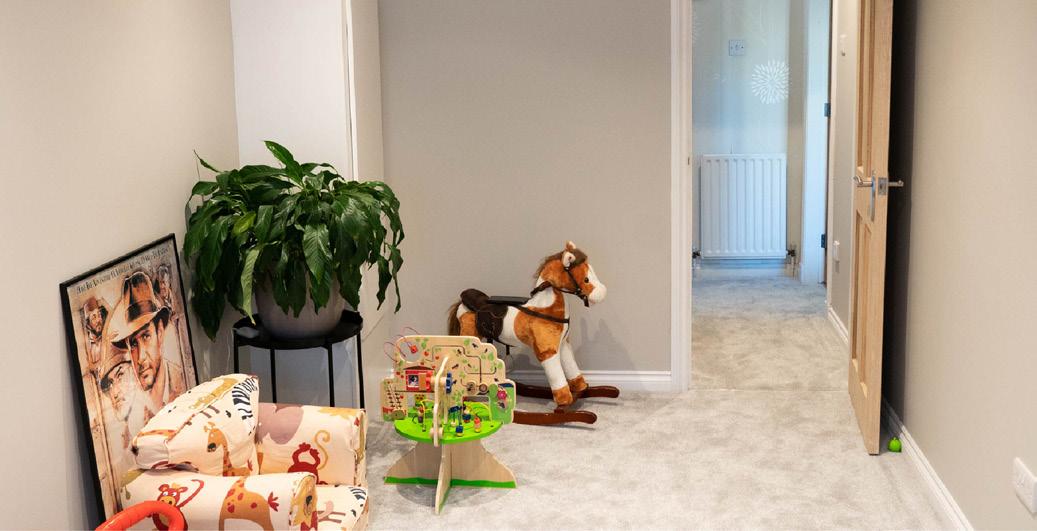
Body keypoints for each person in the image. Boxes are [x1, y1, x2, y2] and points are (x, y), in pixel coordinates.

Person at [109, 271, 186, 418]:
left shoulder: (183, 384)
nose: (140, 358)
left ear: (160, 333)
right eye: (133, 344)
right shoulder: (136, 412)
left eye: (146, 336)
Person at [81, 296, 109, 368]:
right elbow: (91, 367)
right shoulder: (88, 343)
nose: (98, 320)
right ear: (88, 325)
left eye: (99, 315)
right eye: (94, 317)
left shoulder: (107, 334)